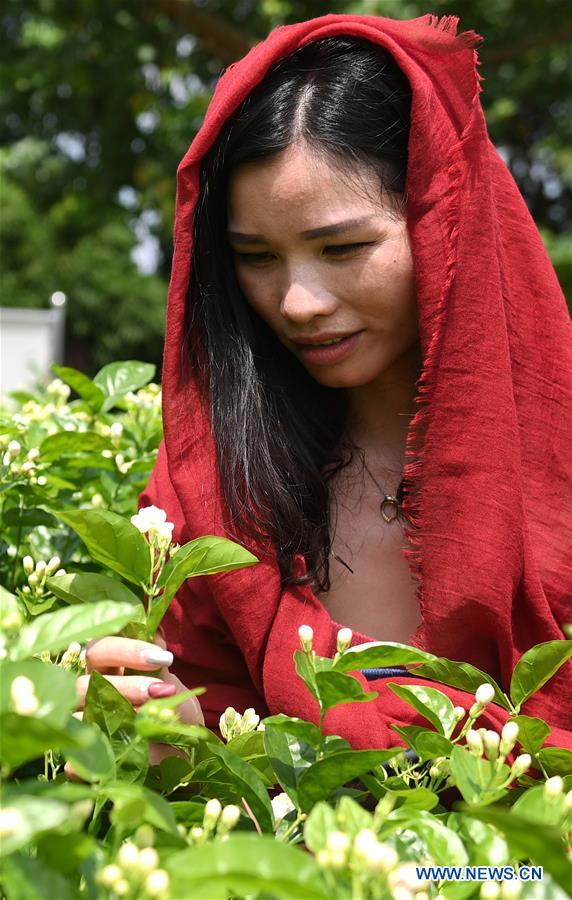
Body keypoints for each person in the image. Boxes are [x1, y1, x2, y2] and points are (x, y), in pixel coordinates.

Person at [77, 12, 572, 755]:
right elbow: (206, 741)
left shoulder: (553, 488)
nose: (298, 301)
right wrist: (154, 728)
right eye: (257, 256)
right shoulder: (215, 482)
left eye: (342, 247)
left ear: (444, 226)